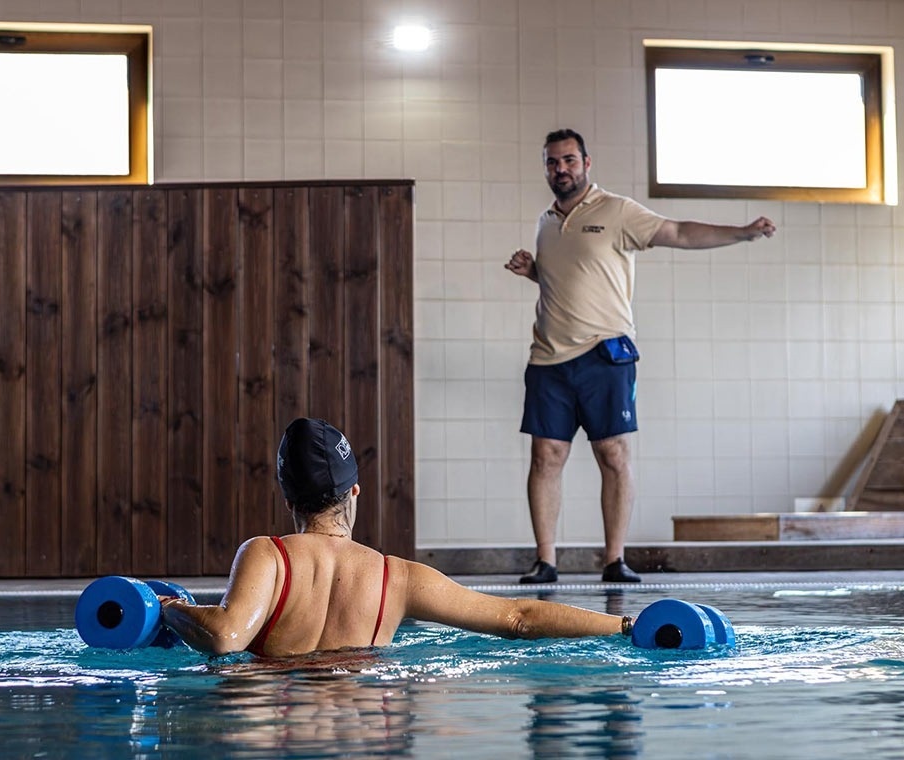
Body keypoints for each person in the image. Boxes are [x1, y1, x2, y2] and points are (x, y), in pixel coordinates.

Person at [505, 128, 777, 585]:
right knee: (545, 456)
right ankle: (545, 562)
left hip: (604, 353)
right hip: (548, 358)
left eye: (569, 160)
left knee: (612, 454)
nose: (561, 169)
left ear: (587, 163)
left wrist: (742, 233)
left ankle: (614, 560)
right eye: (552, 162)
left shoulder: (617, 211)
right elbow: (572, 283)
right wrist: (535, 272)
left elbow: (678, 232)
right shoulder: (546, 222)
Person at [158, 417, 633, 657]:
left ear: (289, 500)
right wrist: (627, 629)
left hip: (273, 718)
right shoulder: (397, 578)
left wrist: (172, 610)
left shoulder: (267, 555)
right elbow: (519, 618)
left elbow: (225, 636)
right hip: (363, 720)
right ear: (355, 492)